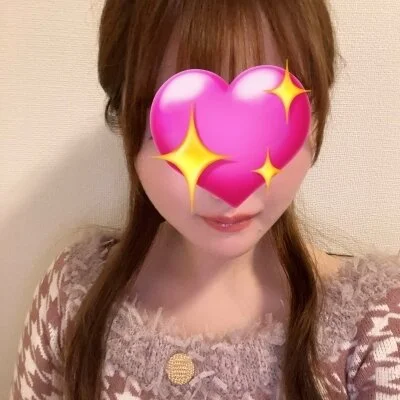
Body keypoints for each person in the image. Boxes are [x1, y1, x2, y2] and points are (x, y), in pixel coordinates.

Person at [9, 0, 400, 399]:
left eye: (270, 119)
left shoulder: (376, 329)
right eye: (184, 127)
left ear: (315, 121)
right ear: (125, 120)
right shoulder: (72, 295)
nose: (230, 186)